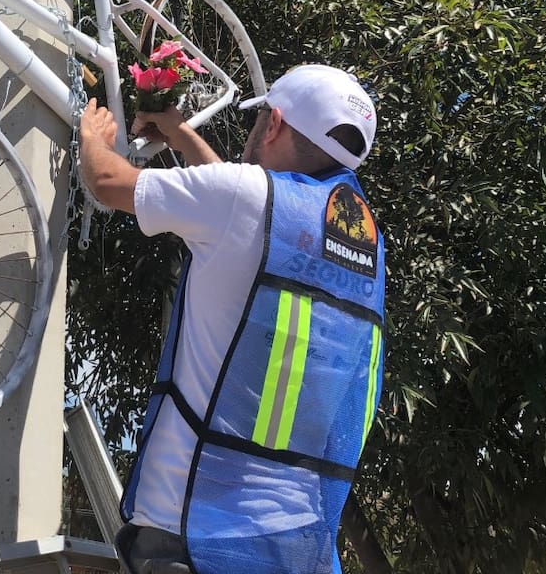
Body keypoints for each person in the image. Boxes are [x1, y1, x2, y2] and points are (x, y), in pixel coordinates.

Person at [78, 64, 386, 574]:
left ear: (274, 124)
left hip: (193, 537)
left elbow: (108, 182)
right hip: (289, 545)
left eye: (259, 118)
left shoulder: (244, 201)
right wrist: (179, 133)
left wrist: (94, 138)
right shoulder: (366, 247)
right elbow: (240, 222)